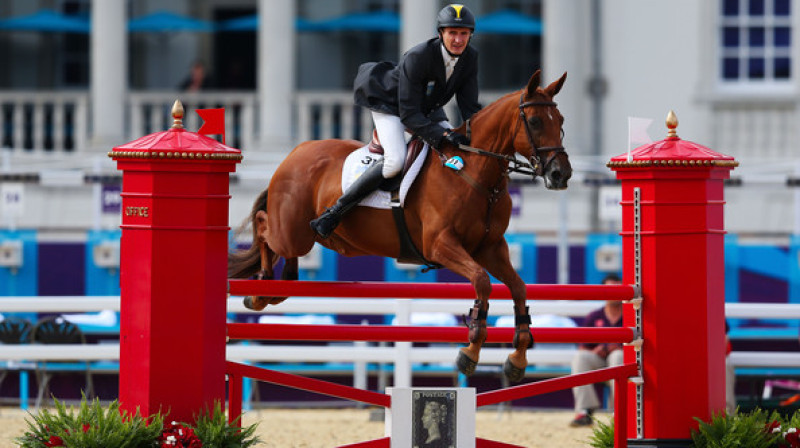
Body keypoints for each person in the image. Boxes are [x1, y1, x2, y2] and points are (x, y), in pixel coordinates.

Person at [310, 4, 482, 238]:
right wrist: (441, 136)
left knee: (455, 148)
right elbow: (409, 113)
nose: (458, 39)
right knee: (395, 161)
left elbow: (470, 106)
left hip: (427, 107)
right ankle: (334, 212)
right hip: (391, 104)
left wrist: (478, 137)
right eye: (452, 32)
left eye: (463, 33)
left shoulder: (470, 57)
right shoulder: (418, 56)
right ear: (441, 33)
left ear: (471, 35)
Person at [569, 273, 625, 427]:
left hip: (623, 360)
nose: (614, 293)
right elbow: (583, 346)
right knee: (581, 358)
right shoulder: (595, 316)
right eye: (610, 289)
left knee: (618, 356)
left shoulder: (631, 314)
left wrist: (616, 346)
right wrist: (598, 350)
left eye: (617, 289)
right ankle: (585, 411)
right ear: (603, 292)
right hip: (601, 361)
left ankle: (620, 411)